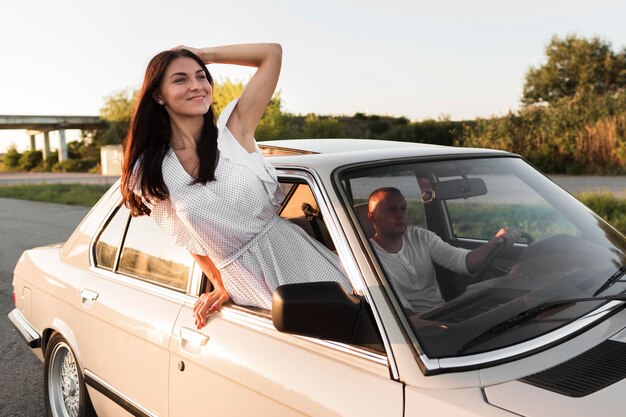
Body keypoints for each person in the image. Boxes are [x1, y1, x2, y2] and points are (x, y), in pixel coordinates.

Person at [120, 44, 351, 329]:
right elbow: (188, 237)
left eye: (201, 76)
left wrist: (202, 55)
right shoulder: (153, 167)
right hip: (245, 288)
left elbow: (272, 54)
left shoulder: (233, 131)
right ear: (157, 95)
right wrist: (219, 283)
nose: (196, 86)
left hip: (302, 264)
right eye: (180, 79)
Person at [367, 187, 519, 312]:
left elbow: (464, 261)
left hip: (442, 314)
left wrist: (495, 242)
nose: (400, 214)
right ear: (373, 218)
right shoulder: (368, 257)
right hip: (414, 330)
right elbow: (402, 316)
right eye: (392, 210)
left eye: (403, 208)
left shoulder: (420, 236)